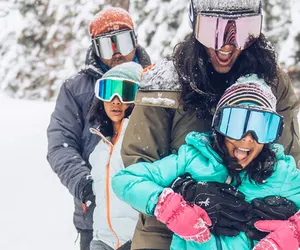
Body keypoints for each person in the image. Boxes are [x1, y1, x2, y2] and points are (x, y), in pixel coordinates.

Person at [120, 0, 300, 249]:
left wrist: (288, 213)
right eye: (211, 30)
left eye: (242, 30)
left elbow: (291, 156)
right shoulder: (166, 82)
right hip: (169, 233)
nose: (226, 43)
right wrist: (185, 191)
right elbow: (137, 163)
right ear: (195, 25)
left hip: (253, 235)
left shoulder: (272, 82)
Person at [112, 75, 300, 250]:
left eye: (261, 127)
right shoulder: (193, 159)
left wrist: (294, 233)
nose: (248, 138)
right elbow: (126, 179)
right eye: (235, 124)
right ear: (219, 126)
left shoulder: (282, 174)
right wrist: (171, 208)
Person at [46, 7, 151, 250]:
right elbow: (60, 144)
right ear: (95, 48)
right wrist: (85, 184)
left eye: (123, 42)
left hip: (144, 218)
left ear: (135, 40)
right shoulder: (77, 89)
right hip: (94, 216)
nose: (116, 54)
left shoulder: (154, 81)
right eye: (107, 46)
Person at [88, 62, 142, 250]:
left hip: (133, 241)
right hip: (102, 240)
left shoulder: (141, 141)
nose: (116, 100)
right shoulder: (99, 148)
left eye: (125, 92)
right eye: (109, 91)